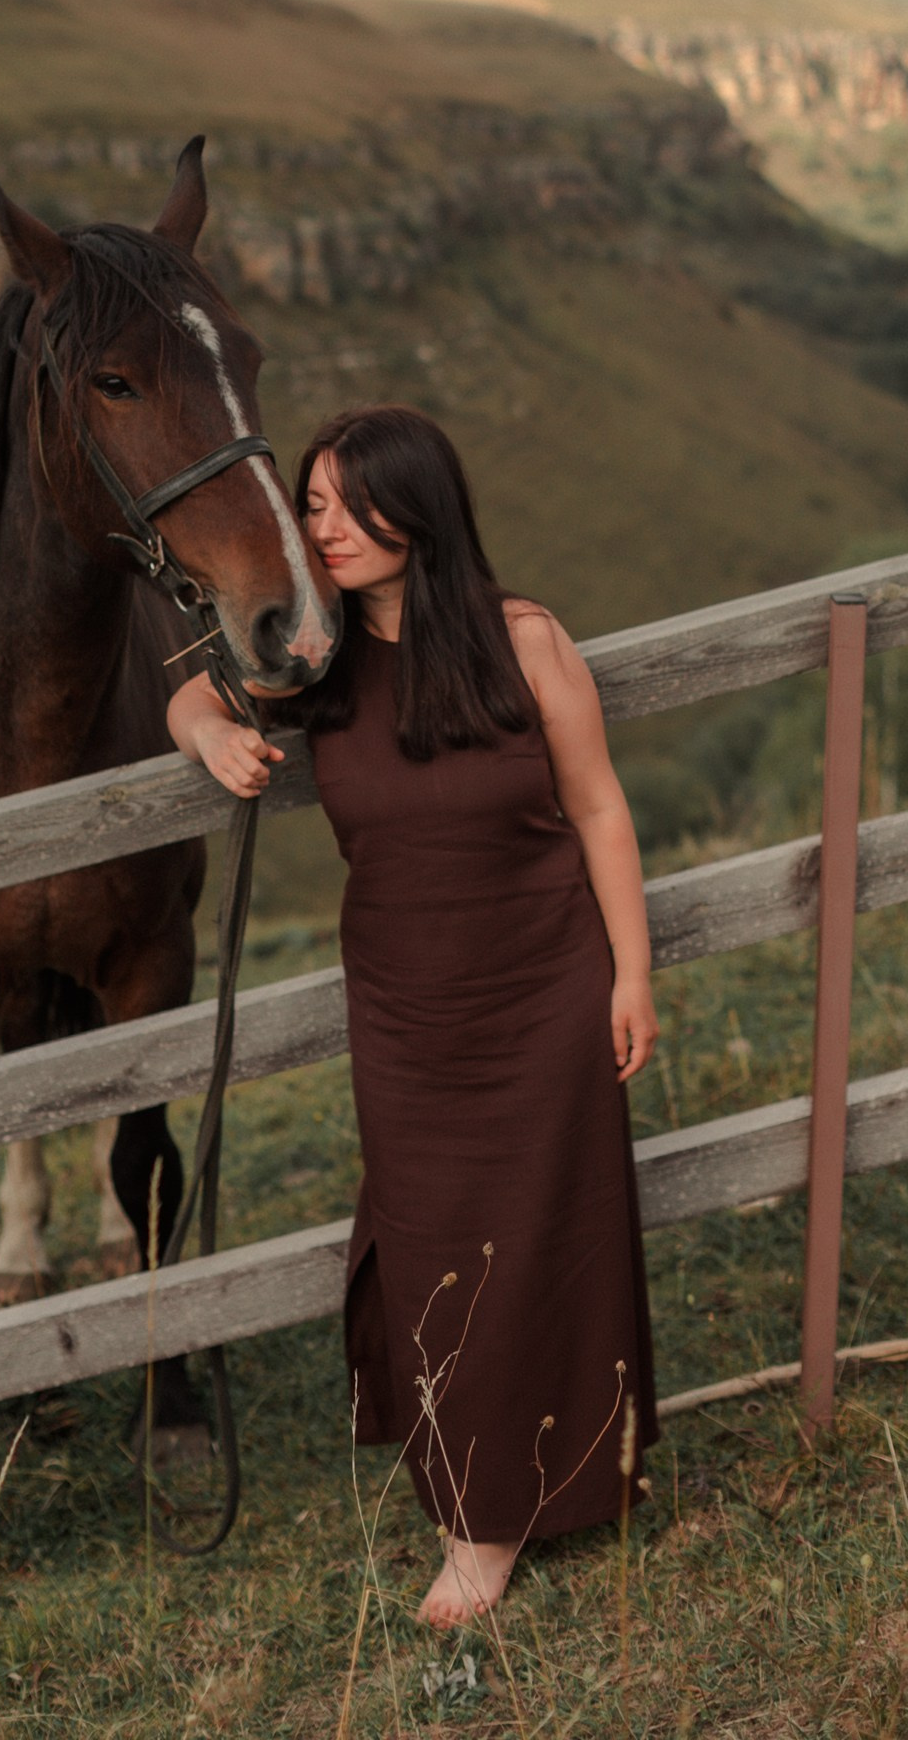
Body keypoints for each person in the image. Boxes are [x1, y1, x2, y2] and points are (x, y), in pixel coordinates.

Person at [168, 403, 658, 1627]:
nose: (318, 527)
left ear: (415, 510)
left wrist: (633, 975)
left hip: (546, 986)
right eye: (314, 503)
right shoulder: (313, 660)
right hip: (405, 1008)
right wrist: (214, 735)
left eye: (340, 504)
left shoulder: (526, 640)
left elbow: (599, 808)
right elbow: (179, 693)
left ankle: (555, 1481)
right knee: (436, 1248)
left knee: (560, 1229)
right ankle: (473, 1505)